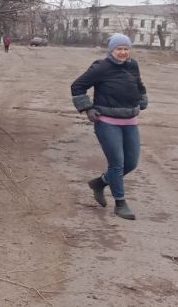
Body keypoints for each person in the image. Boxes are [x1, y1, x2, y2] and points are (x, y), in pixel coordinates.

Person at [71, 33, 148, 220]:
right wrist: (88, 108)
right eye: (119, 49)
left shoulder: (133, 65)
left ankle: (100, 183)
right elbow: (77, 86)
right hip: (107, 122)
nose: (123, 52)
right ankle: (120, 203)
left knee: (131, 163)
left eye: (126, 49)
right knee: (117, 164)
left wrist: (142, 99)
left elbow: (139, 85)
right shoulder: (101, 67)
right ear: (111, 50)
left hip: (130, 121)